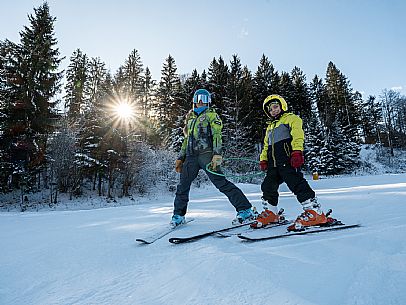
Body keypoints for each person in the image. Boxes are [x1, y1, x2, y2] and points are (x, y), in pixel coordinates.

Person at [170, 89, 255, 227]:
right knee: (182, 186)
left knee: (221, 183)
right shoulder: (190, 118)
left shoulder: (211, 115)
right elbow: (186, 140)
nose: (201, 101)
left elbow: (217, 135)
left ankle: (245, 210)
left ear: (208, 101)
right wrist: (181, 157)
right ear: (194, 101)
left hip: (207, 155)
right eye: (198, 98)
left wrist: (217, 154)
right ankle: (178, 215)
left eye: (204, 98)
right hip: (191, 157)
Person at [252, 94, 328, 231]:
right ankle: (271, 213)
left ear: (282, 106)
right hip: (273, 164)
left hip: (288, 160)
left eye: (275, 106)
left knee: (296, 183)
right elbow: (265, 145)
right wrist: (263, 159)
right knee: (268, 185)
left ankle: (314, 212)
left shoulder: (291, 118)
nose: (273, 110)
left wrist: (297, 151)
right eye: (270, 109)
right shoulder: (269, 127)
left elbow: (298, 135)